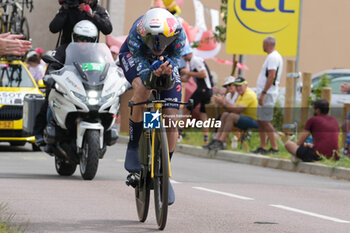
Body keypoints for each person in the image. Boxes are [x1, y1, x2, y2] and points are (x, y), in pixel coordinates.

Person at [118, 8, 186, 205]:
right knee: (143, 87)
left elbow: (175, 58)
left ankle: (165, 173)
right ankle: (133, 144)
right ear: (144, 33)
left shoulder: (180, 34)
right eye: (153, 39)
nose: (158, 45)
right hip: (134, 56)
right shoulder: (136, 32)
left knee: (171, 116)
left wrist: (166, 66)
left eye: (163, 40)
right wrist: (151, 72)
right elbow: (140, 63)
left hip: (166, 62)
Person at [34, 20, 99, 144]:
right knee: (49, 98)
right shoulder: (63, 50)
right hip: (67, 88)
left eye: (89, 39)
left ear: (94, 40)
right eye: (81, 38)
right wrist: (50, 77)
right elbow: (52, 67)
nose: (84, 43)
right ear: (74, 37)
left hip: (88, 90)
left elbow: (107, 68)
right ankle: (41, 131)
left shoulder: (98, 54)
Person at [205, 77, 258, 150]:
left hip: (254, 120)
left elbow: (236, 110)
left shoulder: (248, 94)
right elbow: (232, 108)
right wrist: (222, 102)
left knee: (230, 116)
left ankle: (221, 141)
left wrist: (223, 103)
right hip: (243, 118)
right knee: (225, 115)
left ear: (246, 85)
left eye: (240, 86)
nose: (238, 88)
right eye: (236, 86)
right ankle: (216, 140)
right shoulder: (239, 94)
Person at [252, 36, 283, 155]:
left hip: (268, 93)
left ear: (269, 44)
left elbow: (271, 75)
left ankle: (274, 147)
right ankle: (263, 146)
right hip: (265, 92)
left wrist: (264, 93)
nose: (262, 46)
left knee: (265, 121)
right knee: (261, 120)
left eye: (264, 44)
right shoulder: (272, 57)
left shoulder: (273, 57)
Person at [179, 45, 213, 143]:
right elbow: (186, 79)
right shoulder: (193, 63)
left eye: (185, 56)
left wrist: (188, 72)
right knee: (203, 114)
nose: (184, 58)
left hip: (203, 89)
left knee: (186, 109)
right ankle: (206, 138)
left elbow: (203, 74)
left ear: (189, 54)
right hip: (207, 90)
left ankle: (178, 133)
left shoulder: (195, 60)